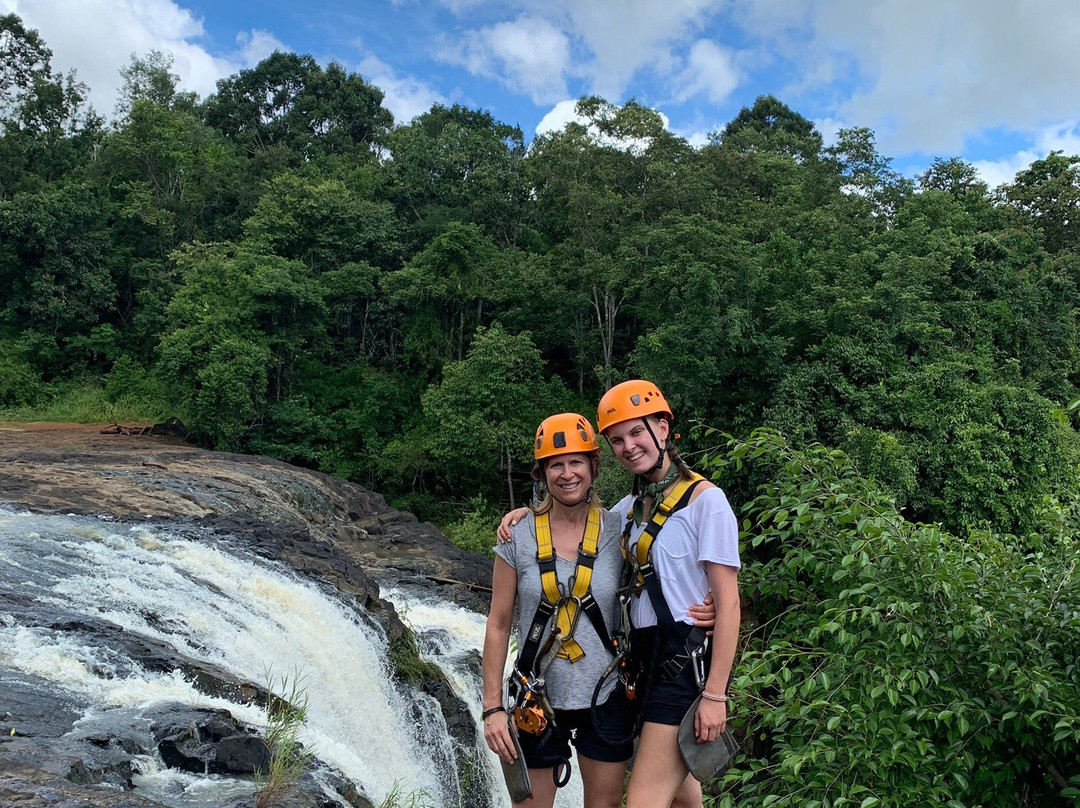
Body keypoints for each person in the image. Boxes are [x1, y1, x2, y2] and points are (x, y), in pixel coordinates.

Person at [482, 412, 713, 808]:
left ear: (594, 467)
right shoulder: (517, 535)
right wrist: (491, 708)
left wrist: (707, 606)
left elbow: (671, 559)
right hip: (536, 694)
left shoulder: (620, 524)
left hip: (606, 694)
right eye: (556, 464)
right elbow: (499, 622)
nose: (567, 473)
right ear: (542, 473)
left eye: (577, 462)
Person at [596, 380, 741, 808]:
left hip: (683, 662)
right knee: (682, 800)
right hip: (642, 662)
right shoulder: (625, 510)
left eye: (636, 432)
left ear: (663, 428)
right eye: (617, 440)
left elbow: (728, 602)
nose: (628, 446)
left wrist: (715, 695)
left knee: (642, 800)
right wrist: (524, 517)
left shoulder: (705, 501)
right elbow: (573, 533)